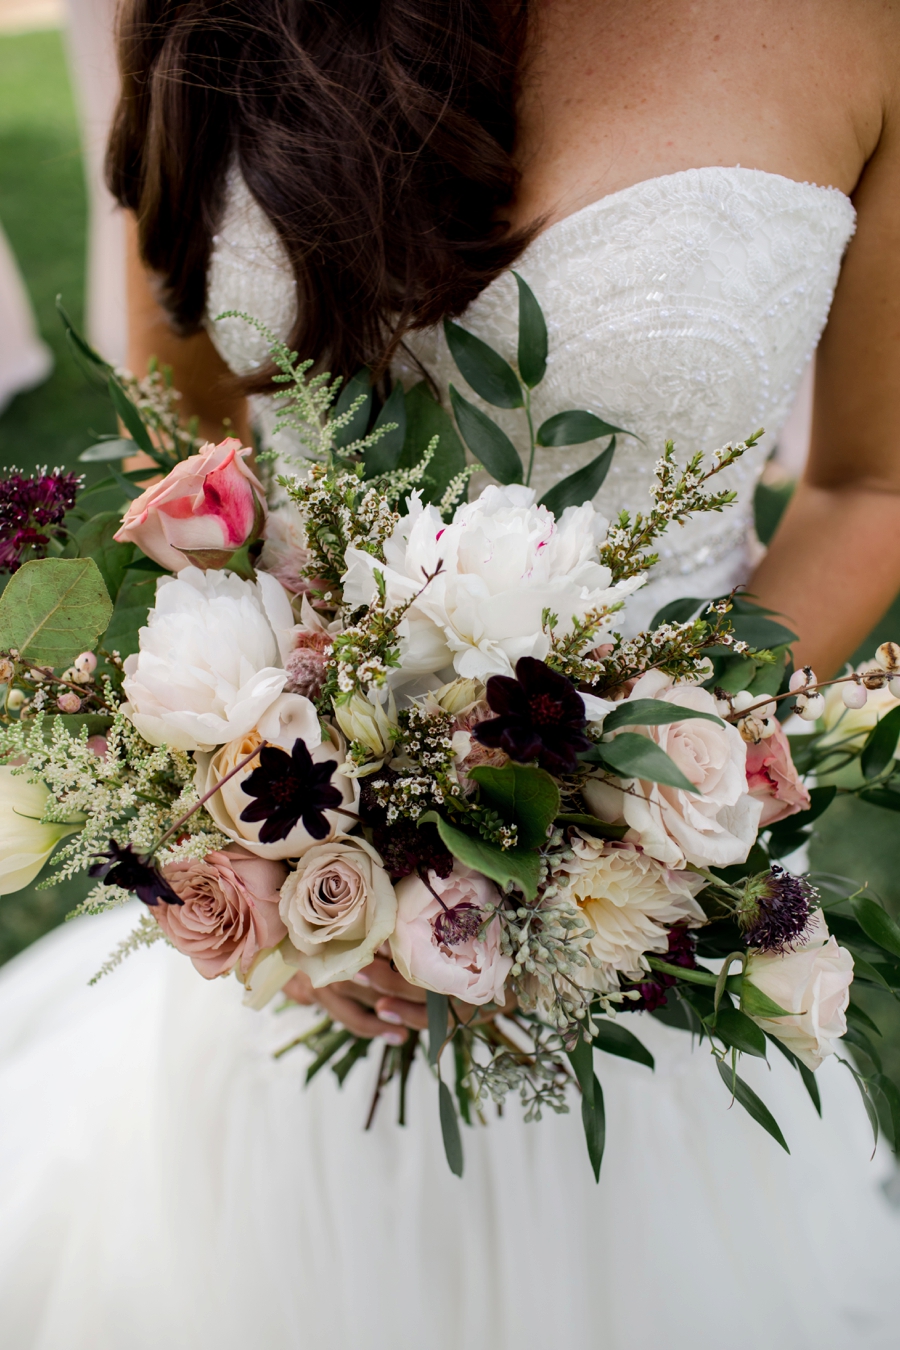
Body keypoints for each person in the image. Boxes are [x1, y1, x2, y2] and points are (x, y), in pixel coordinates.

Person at [2, 2, 900, 1346]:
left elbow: (868, 479)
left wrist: (652, 783)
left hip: (633, 943)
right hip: (303, 916)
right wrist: (248, 842)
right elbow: (183, 439)